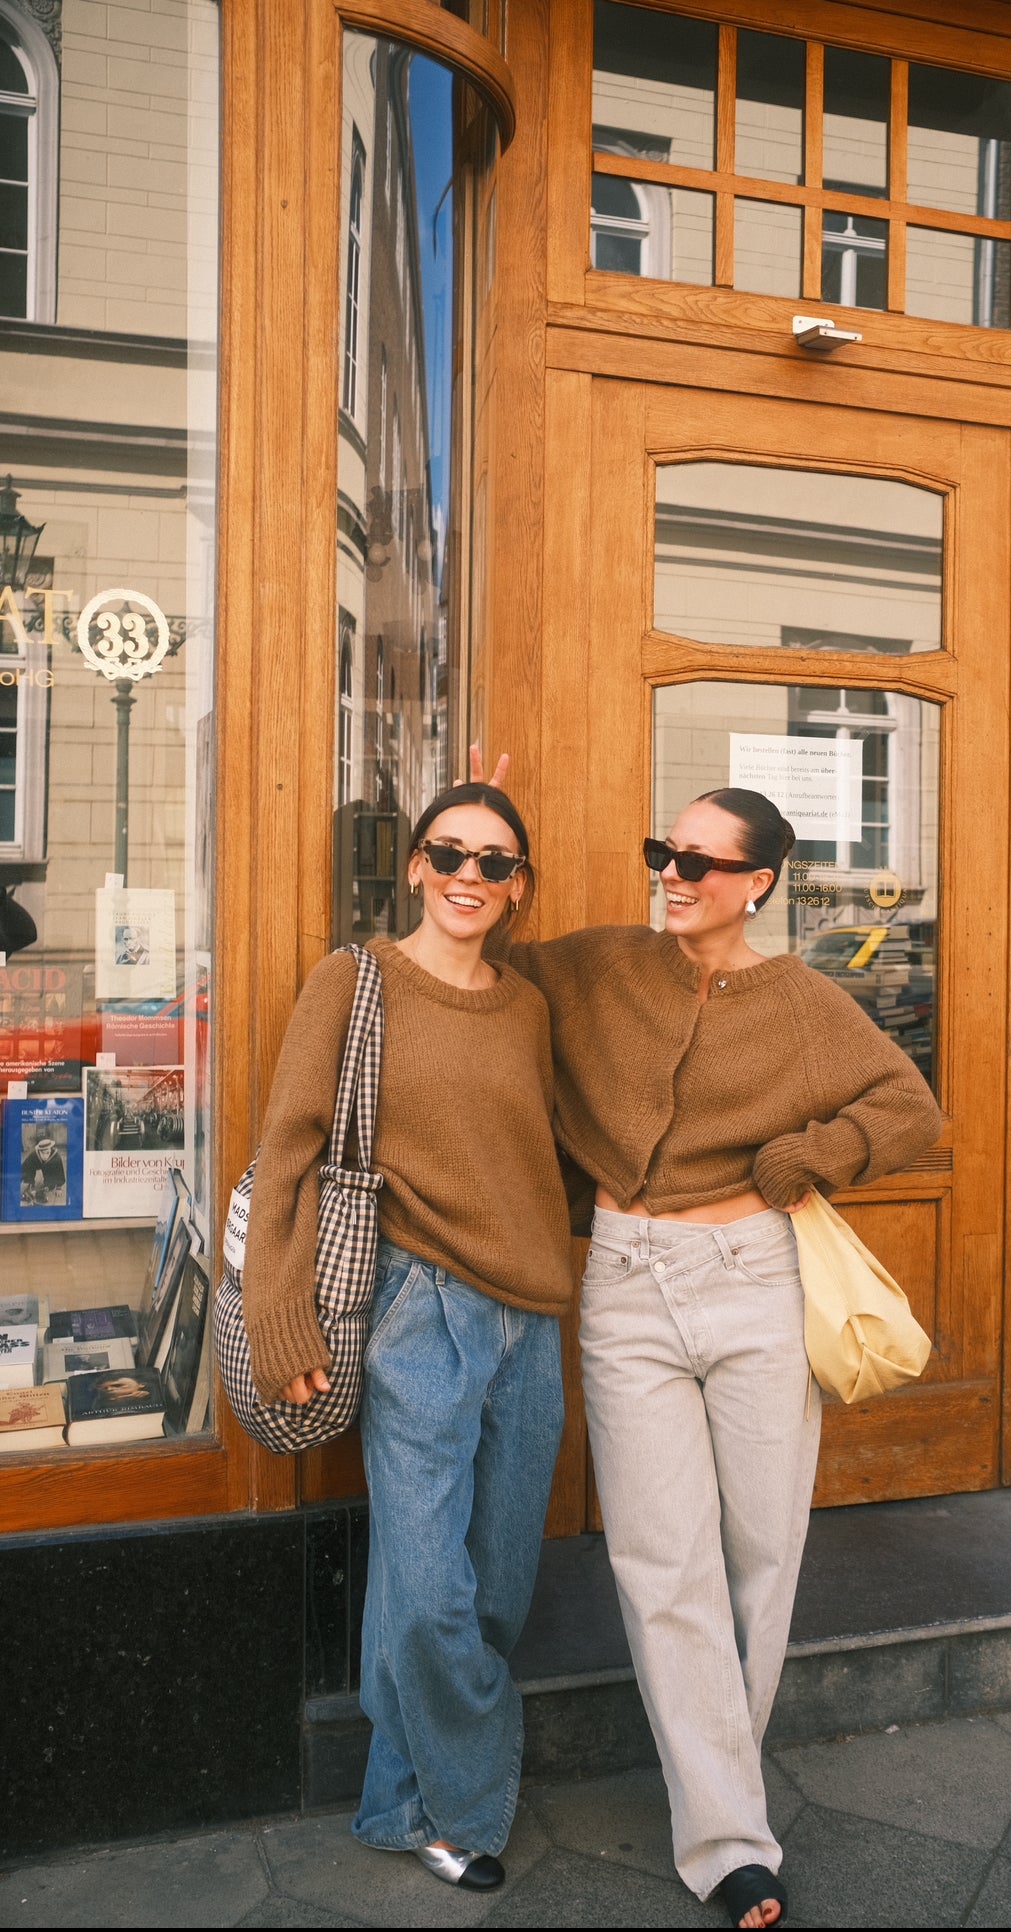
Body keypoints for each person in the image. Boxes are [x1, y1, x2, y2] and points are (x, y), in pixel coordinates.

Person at [478, 756, 942, 1929]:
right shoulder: (600, 964)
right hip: (628, 1284)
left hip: (754, 1283)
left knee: (759, 1551)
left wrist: (817, 1156)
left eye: (698, 863)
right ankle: (730, 1838)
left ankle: (718, 1785)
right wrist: (491, 841)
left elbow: (906, 1108)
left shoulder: (801, 1001)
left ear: (759, 885)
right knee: (656, 1560)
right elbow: (480, 953)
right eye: (662, 855)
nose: (671, 877)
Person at [239, 782, 574, 1893]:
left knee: (495, 1588)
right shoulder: (357, 980)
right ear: (418, 866)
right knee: (428, 1586)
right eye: (452, 853)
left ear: (519, 886)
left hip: (531, 1319)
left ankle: (396, 1800)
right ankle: (466, 1811)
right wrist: (281, 1311)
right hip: (414, 1311)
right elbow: (287, 1144)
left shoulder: (528, 1007)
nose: (472, 874)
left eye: (496, 860)